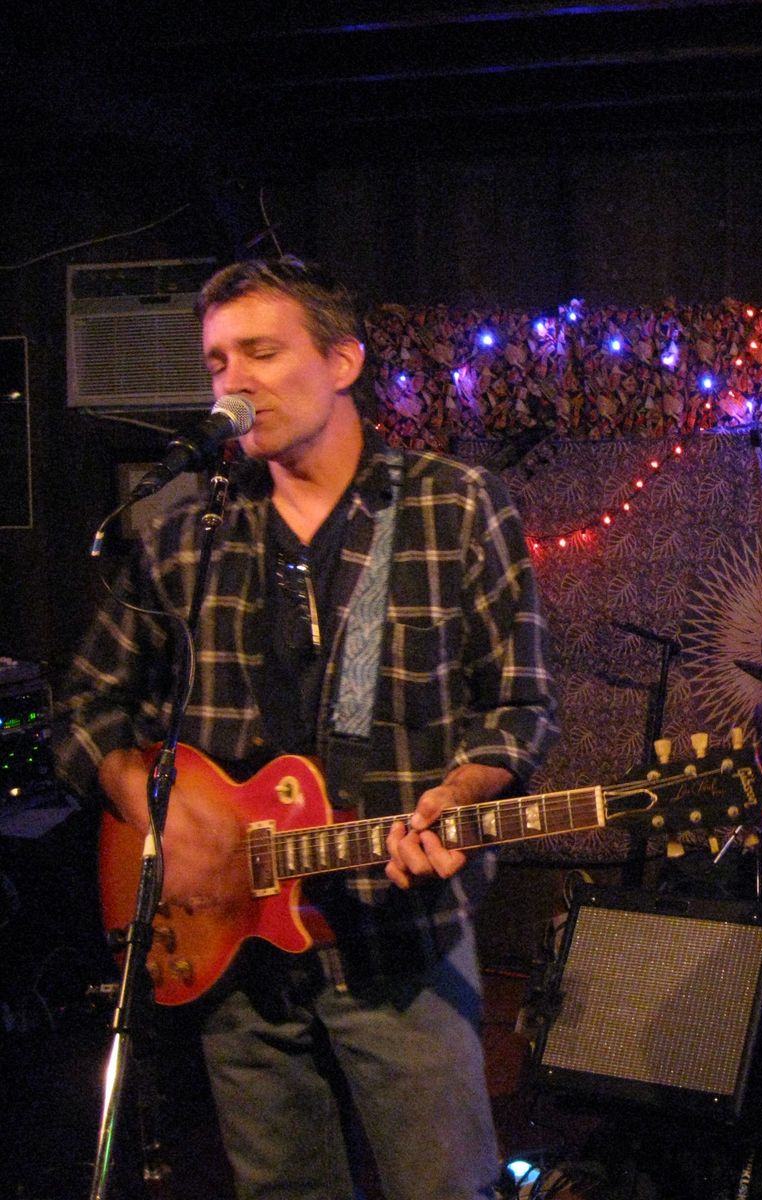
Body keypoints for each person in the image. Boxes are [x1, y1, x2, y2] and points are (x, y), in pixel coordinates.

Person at [58, 257, 557, 1200]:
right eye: (217, 362)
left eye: (261, 352)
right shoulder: (185, 534)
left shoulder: (454, 505)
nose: (233, 382)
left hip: (399, 941)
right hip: (231, 948)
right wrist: (151, 805)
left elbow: (521, 704)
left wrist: (459, 793)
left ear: (341, 362)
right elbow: (84, 705)